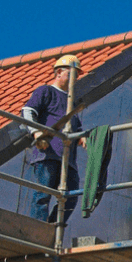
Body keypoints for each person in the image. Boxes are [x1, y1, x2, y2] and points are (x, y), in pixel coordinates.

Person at [22, 54, 86, 223]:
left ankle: (51, 230)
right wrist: (36, 133)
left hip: (68, 160)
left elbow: (76, 126)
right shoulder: (46, 91)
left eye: (77, 75)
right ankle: (39, 233)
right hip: (48, 154)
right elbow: (28, 111)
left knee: (71, 198)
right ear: (59, 72)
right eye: (72, 74)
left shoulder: (71, 101)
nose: (75, 79)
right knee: (42, 197)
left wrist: (81, 138)